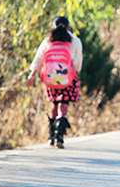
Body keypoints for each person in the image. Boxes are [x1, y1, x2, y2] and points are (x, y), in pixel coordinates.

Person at [27, 16, 83, 148]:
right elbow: (78, 61)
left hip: (51, 78)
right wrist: (77, 71)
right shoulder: (74, 41)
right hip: (67, 77)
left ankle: (51, 136)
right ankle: (59, 136)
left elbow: (39, 59)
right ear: (68, 27)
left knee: (55, 103)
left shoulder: (48, 41)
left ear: (53, 27)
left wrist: (32, 75)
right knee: (63, 103)